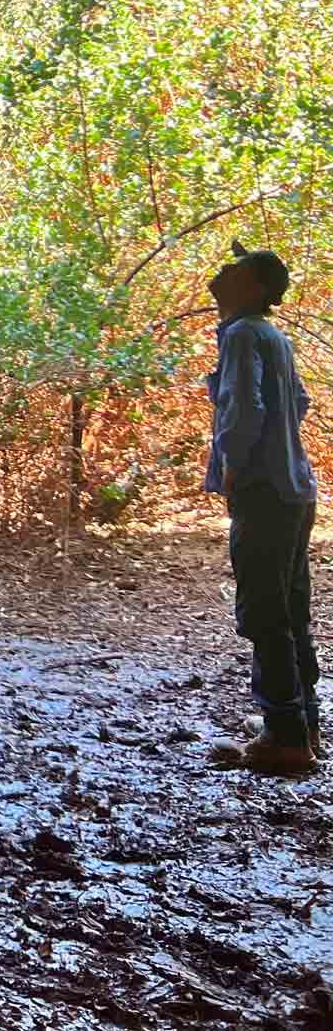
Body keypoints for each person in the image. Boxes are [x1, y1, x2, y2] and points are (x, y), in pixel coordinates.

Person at [203, 243, 320, 777]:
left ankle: (285, 735)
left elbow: (243, 409)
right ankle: (302, 719)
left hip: (264, 491)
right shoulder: (273, 335)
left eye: (235, 267)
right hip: (296, 486)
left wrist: (232, 465)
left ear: (253, 287)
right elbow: (297, 402)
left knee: (263, 613)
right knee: (291, 607)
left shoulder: (244, 333)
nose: (222, 270)